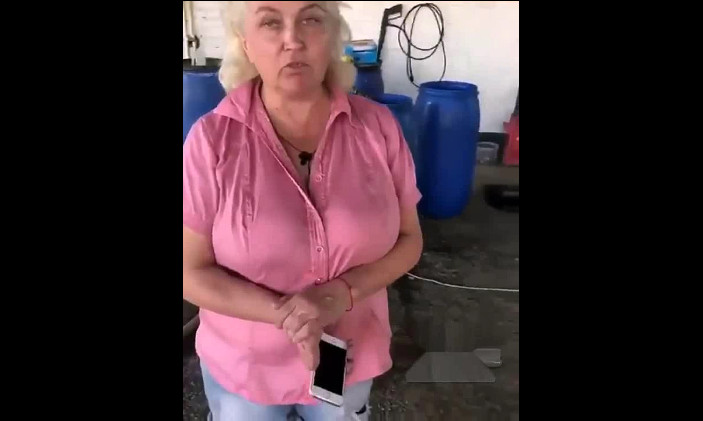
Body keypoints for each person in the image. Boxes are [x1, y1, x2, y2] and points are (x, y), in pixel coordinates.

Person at [183, 1, 423, 419]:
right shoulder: (211, 141)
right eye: (270, 22)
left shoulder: (378, 128)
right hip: (246, 369)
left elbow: (409, 240)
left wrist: (338, 295)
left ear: (331, 35)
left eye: (311, 19)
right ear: (245, 42)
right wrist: (292, 316)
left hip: (342, 360)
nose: (292, 40)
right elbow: (190, 271)